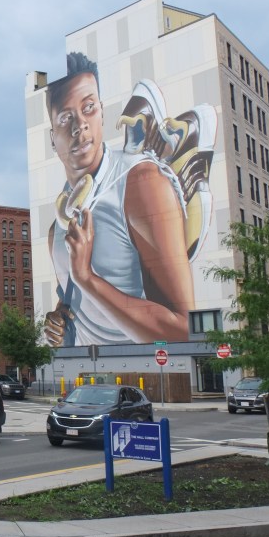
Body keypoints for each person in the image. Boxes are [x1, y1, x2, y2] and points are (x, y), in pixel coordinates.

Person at [43, 52, 197, 347]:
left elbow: (182, 331)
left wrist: (87, 276)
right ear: (53, 138)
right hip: (84, 367)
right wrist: (59, 318)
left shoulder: (141, 183)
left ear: (102, 112)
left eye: (89, 108)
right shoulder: (57, 229)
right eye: (66, 118)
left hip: (147, 368)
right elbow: (75, 305)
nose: (80, 125)